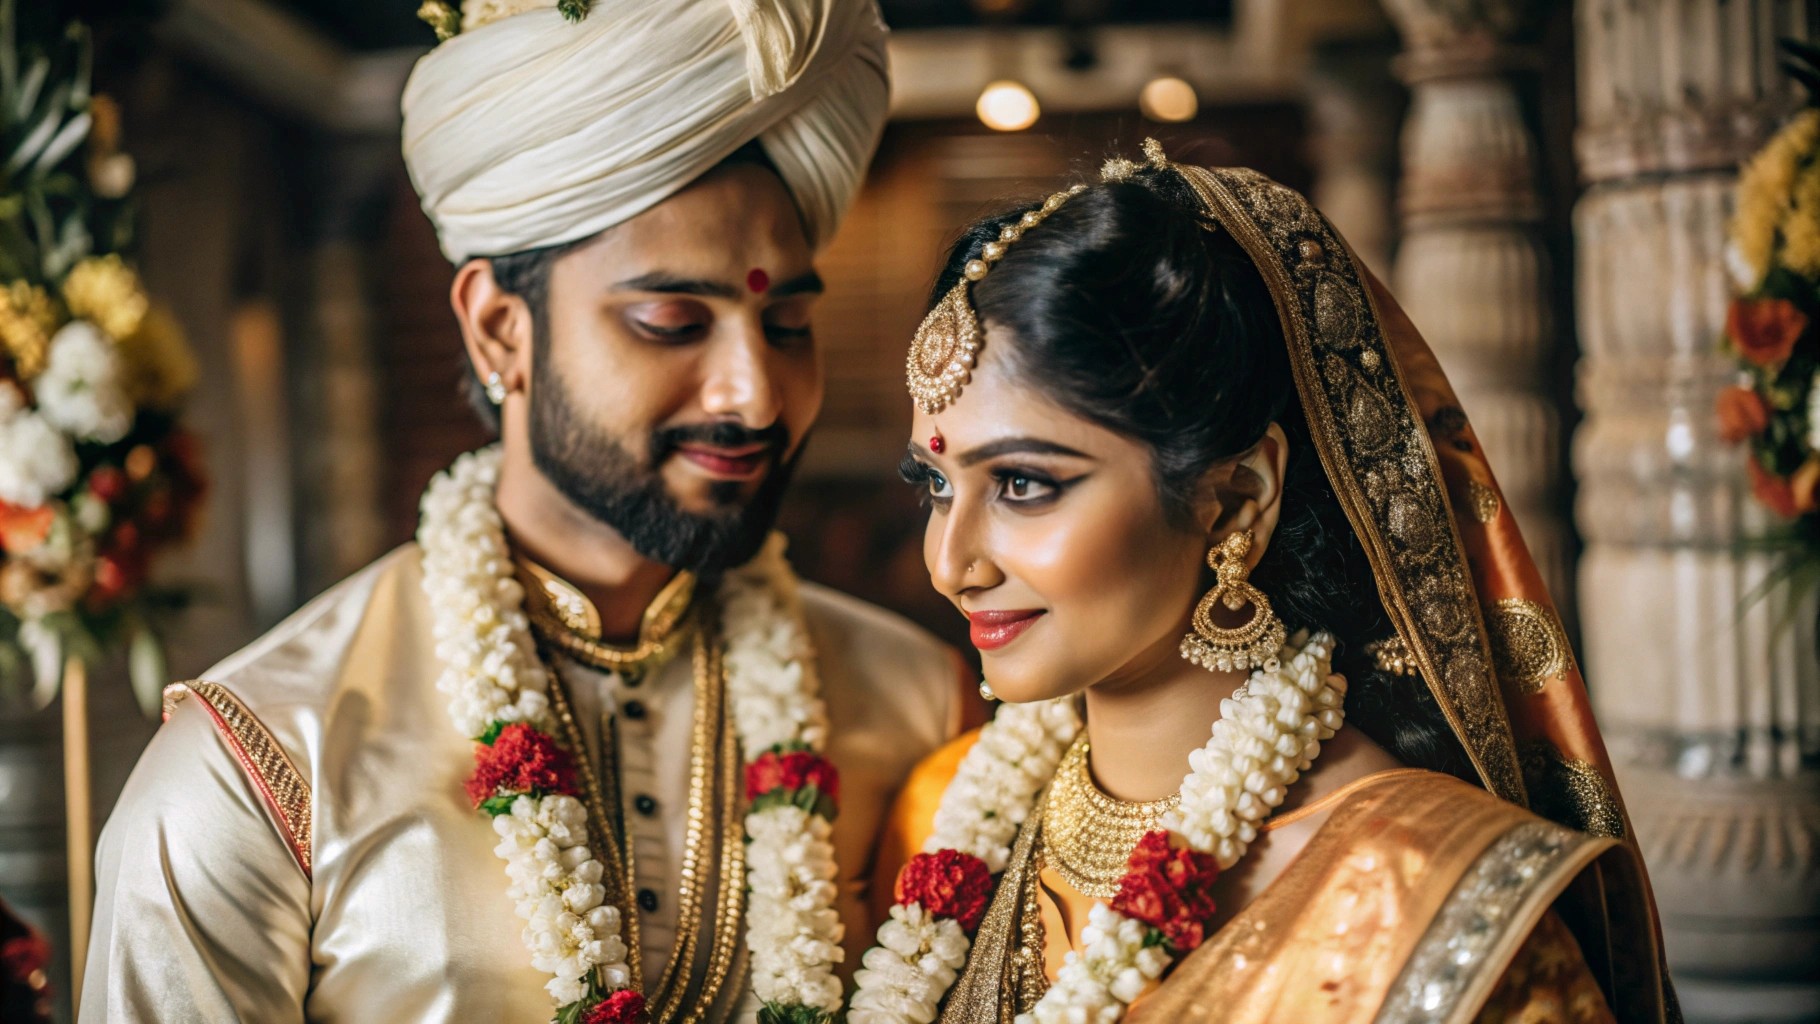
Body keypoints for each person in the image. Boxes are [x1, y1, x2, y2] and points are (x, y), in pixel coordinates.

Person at [81, 1, 975, 1021]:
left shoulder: (913, 709)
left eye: (787, 322)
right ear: (500, 330)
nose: (754, 392)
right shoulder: (259, 769)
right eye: (671, 322)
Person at [853, 142, 1677, 1024]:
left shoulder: (1424, 900)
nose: (950, 564)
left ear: (1237, 497)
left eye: (1022, 484)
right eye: (937, 485)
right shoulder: (940, 818)